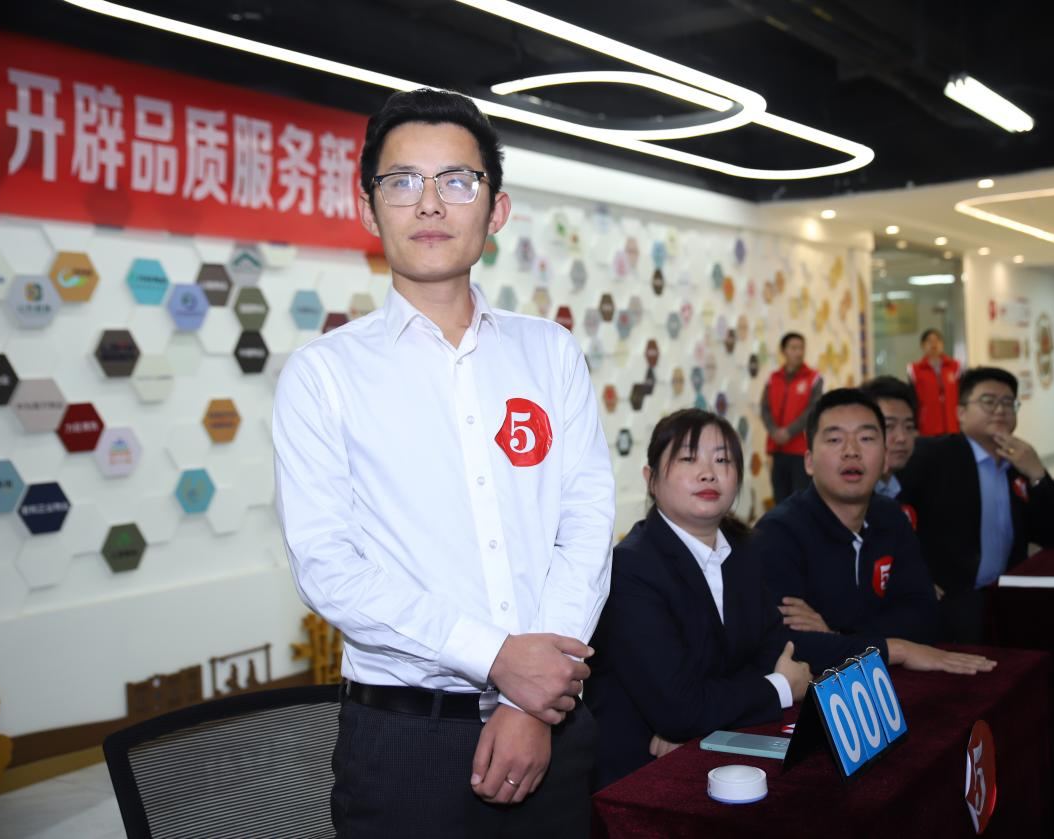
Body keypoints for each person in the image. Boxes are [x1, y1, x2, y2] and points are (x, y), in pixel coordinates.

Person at [272, 89, 614, 837]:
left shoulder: (549, 353)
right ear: (369, 210)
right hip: (403, 745)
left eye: (457, 180)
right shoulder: (323, 374)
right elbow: (329, 566)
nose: (429, 203)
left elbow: (586, 525)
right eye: (402, 181)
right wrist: (497, 659)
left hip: (553, 727)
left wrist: (529, 698)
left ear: (497, 210)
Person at [584, 410, 811, 790]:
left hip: (718, 755)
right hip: (637, 779)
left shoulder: (744, 552)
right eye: (689, 459)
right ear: (651, 479)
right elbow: (679, 707)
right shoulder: (630, 568)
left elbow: (771, 652)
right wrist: (781, 687)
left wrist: (698, 719)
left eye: (722, 460)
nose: (708, 473)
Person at [754, 389, 996, 677]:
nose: (851, 451)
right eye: (834, 439)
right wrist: (898, 649)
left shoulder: (890, 516)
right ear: (808, 461)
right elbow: (787, 647)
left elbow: (924, 616)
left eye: (866, 438)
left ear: (884, 460)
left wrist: (836, 636)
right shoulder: (777, 533)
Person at [898, 368, 1054, 642]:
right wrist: (910, 576)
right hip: (948, 602)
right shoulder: (932, 455)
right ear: (961, 412)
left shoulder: (1018, 462)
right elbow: (890, 515)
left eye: (1008, 403)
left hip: (1005, 597)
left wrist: (1038, 473)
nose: (1000, 410)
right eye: (988, 401)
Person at [760, 332, 824, 504]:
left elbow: (813, 409)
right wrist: (774, 431)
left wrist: (788, 432)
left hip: (801, 451)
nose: (798, 352)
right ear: (783, 351)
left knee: (801, 501)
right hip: (777, 449)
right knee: (780, 501)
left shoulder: (814, 378)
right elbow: (764, 408)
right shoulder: (773, 378)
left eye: (801, 348)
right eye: (793, 348)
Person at [860, 376, 919, 499]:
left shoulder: (915, 486)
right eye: (889, 426)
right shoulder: (848, 496)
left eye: (909, 427)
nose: (901, 438)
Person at [907, 328, 961, 436]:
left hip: (953, 427)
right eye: (929, 341)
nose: (933, 344)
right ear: (922, 346)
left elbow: (962, 396)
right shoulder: (914, 370)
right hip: (927, 428)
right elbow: (912, 401)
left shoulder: (955, 367)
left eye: (937, 340)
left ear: (942, 344)